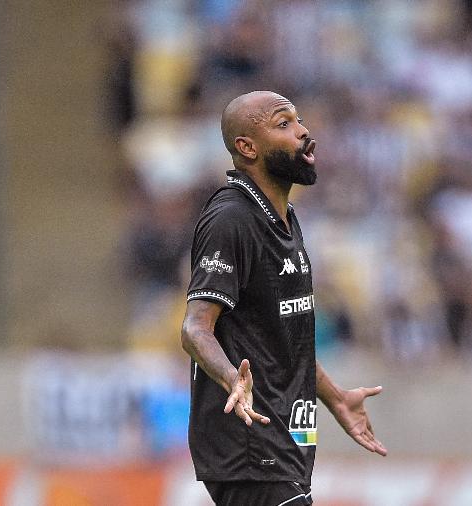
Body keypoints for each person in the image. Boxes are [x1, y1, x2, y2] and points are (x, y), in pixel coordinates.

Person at [181, 91, 387, 506]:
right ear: (247, 147)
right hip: (250, 441)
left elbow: (284, 337)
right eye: (284, 124)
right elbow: (195, 328)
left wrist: (335, 398)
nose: (303, 131)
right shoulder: (232, 219)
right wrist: (231, 379)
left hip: (286, 442)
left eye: (299, 120)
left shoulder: (284, 218)